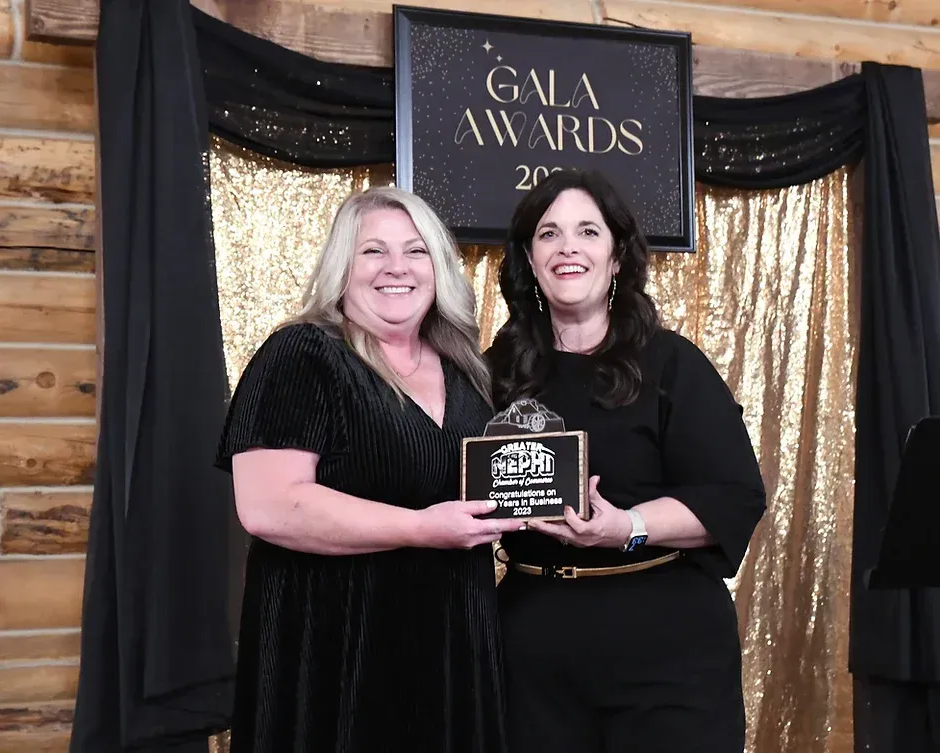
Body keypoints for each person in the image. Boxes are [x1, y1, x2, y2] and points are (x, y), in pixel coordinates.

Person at [215, 186, 520, 753]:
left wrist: (541, 509)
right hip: (336, 642)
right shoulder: (302, 354)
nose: (396, 268)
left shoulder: (467, 369)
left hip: (451, 638)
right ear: (342, 268)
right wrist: (422, 529)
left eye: (416, 251)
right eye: (373, 251)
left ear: (439, 266)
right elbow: (268, 506)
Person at [487, 169, 767, 753]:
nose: (568, 248)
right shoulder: (489, 373)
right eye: (548, 234)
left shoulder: (672, 364)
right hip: (530, 658)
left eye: (588, 231)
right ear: (528, 260)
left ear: (616, 259)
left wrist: (625, 529)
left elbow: (733, 494)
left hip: (666, 653)